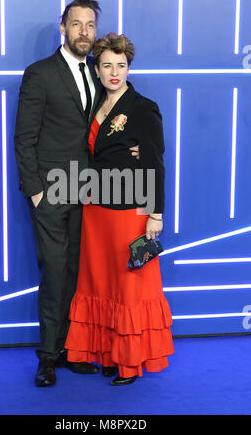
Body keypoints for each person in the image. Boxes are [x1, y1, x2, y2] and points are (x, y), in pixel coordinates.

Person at [14, 0, 139, 387]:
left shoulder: (100, 73)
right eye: (76, 24)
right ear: (63, 27)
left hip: (89, 194)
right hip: (51, 193)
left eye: (89, 25)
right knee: (54, 272)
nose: (84, 31)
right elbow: (24, 139)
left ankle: (72, 351)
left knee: (78, 274)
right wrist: (35, 192)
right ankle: (48, 357)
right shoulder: (40, 74)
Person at [65, 33, 174, 386]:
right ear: (96, 69)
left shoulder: (143, 107)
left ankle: (129, 364)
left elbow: (155, 164)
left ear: (129, 67)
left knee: (129, 288)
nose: (114, 73)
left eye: (121, 65)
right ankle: (108, 356)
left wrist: (155, 214)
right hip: (96, 211)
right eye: (107, 65)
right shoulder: (95, 105)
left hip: (130, 212)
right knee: (102, 286)